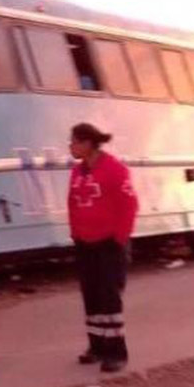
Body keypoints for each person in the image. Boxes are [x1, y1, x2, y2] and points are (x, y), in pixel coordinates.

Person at [68, 122, 138, 373]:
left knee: (110, 298)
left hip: (109, 243)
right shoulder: (78, 172)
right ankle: (96, 346)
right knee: (92, 296)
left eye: (75, 141)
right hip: (85, 244)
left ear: (87, 143)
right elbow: (73, 204)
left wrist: (119, 240)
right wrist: (76, 235)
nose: (71, 146)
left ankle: (117, 352)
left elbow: (129, 206)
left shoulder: (114, 170)